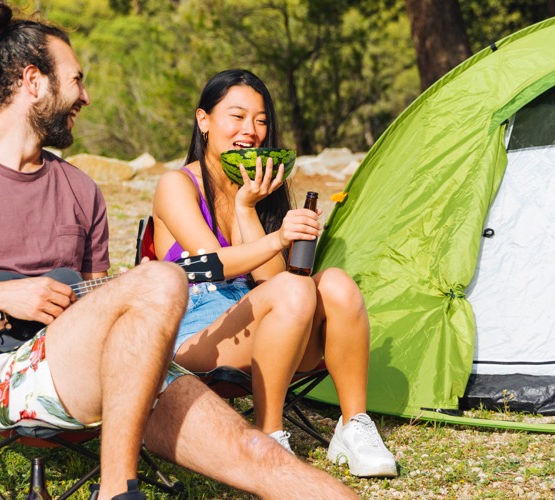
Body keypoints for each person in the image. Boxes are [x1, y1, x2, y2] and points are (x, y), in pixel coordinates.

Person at [0, 3, 356, 499]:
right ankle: (116, 489)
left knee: (262, 455)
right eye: (76, 80)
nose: (85, 95)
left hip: (89, 363)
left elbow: (98, 304)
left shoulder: (81, 191)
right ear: (33, 81)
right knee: (162, 278)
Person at [151, 69, 398, 478]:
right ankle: (269, 435)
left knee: (335, 282)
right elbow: (212, 262)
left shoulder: (257, 184)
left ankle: (353, 426)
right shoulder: (177, 185)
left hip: (262, 325)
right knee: (293, 290)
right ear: (204, 120)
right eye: (237, 116)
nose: (251, 130)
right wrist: (276, 237)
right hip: (198, 335)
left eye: (261, 120)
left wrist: (249, 209)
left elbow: (272, 279)